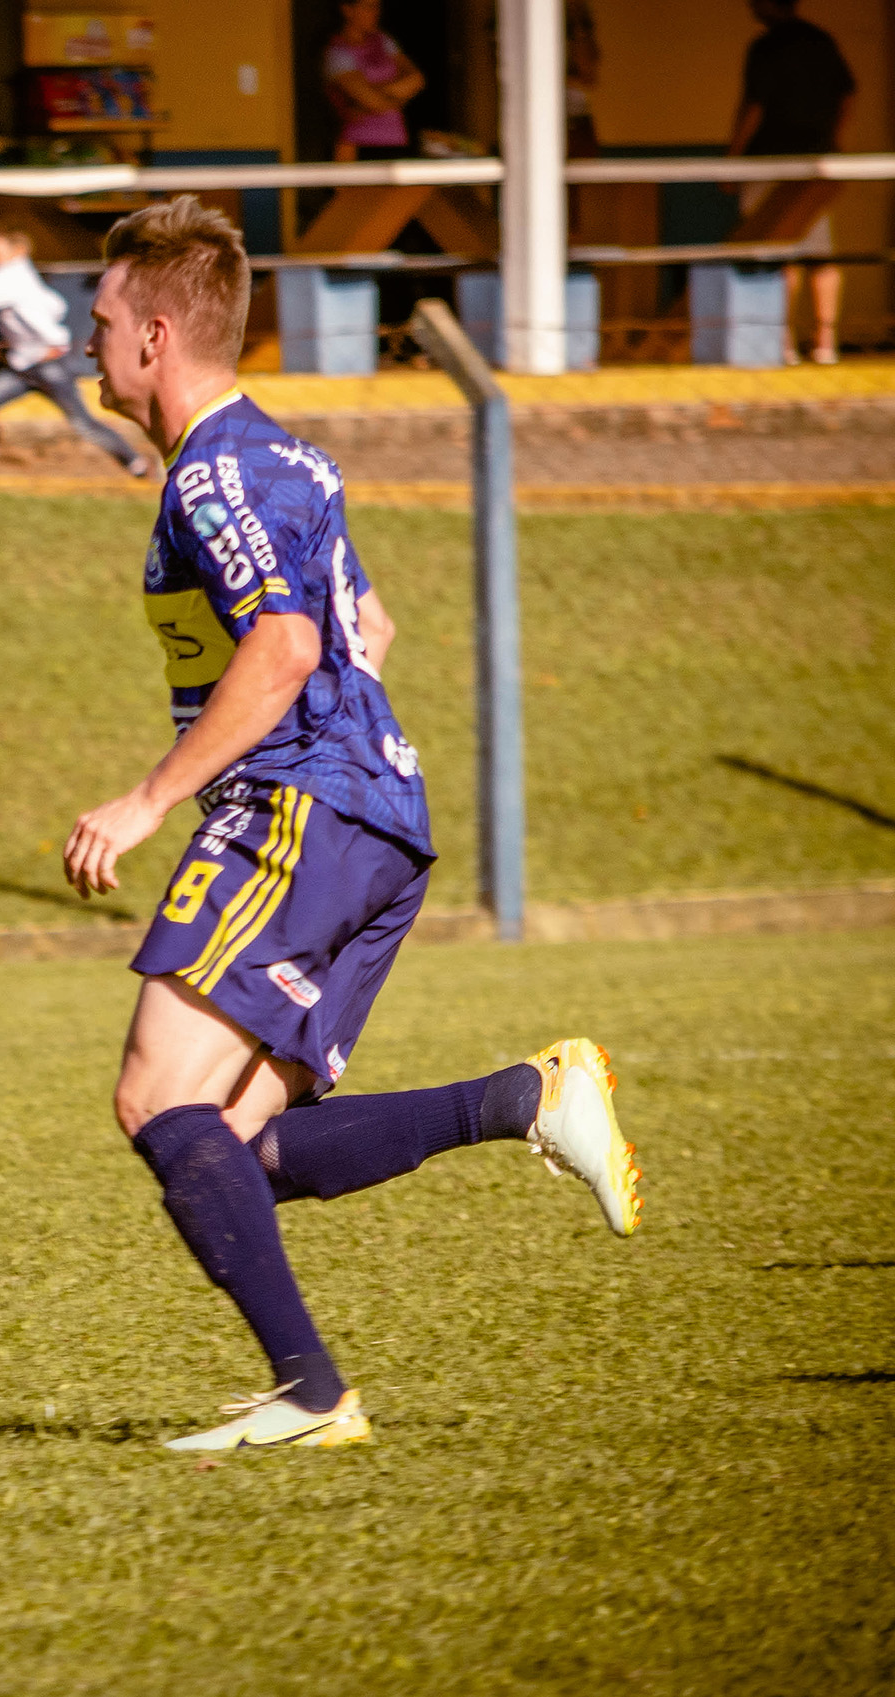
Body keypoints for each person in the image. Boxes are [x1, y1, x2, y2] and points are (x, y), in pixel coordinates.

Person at [64, 197, 642, 1451]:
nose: (85, 341)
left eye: (99, 320)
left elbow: (285, 643)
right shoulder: (286, 456)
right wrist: (338, 736)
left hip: (300, 811)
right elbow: (363, 627)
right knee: (231, 1143)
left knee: (155, 1099)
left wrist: (148, 798)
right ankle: (524, 1098)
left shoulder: (210, 471)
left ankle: (312, 1393)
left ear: (154, 336)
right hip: (375, 816)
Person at [0, 229, 149, 484]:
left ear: (17, 252)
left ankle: (135, 461)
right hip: (24, 366)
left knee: (82, 422)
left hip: (48, 364)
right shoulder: (19, 276)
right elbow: (56, 306)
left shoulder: (12, 277)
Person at [726, 0, 857, 366]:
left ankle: (782, 343)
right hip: (815, 162)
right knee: (819, 254)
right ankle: (825, 342)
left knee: (777, 254)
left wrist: (732, 160)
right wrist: (832, 139)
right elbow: (848, 94)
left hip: (770, 162)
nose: (751, 5)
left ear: (770, 1)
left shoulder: (766, 47)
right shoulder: (821, 41)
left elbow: (753, 106)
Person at [322, 0, 424, 162]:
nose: (376, 12)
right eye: (369, 6)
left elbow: (417, 79)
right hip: (359, 144)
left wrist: (378, 94)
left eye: (377, 6)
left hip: (395, 139)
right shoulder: (337, 53)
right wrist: (400, 93)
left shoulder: (384, 41)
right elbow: (372, 101)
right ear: (347, 9)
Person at [565, 0, 602, 157]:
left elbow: (590, 72)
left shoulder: (580, 4)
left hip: (577, 111)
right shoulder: (532, 2)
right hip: (542, 111)